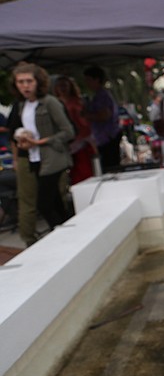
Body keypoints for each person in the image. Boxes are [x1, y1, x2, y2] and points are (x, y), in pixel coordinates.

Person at [8, 62, 74, 243]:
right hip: (33, 157)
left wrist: (41, 141)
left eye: (29, 81)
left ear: (38, 82)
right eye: (21, 82)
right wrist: (24, 140)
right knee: (55, 204)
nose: (25, 86)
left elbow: (68, 132)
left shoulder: (50, 102)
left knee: (44, 203)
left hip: (52, 158)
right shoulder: (22, 106)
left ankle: (63, 239)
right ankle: (70, 236)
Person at [53, 75, 96, 185]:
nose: (63, 88)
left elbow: (84, 121)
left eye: (65, 85)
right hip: (65, 143)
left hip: (81, 141)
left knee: (84, 170)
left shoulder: (78, 101)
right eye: (60, 86)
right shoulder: (54, 104)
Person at [82, 65, 122, 172]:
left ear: (97, 79)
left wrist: (87, 115)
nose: (87, 83)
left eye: (89, 80)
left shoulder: (102, 96)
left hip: (107, 138)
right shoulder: (97, 96)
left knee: (110, 168)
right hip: (103, 139)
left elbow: (105, 115)